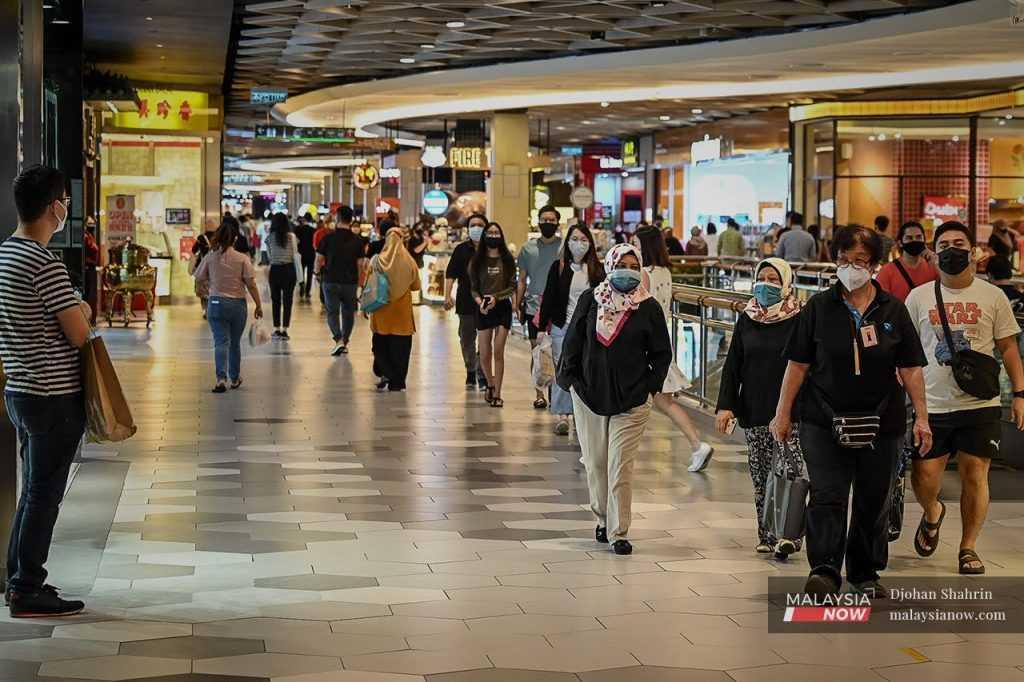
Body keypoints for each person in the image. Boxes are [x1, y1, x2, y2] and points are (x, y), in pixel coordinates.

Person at [771, 224, 931, 598]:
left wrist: (922, 416)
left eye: (860, 260)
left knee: (874, 497)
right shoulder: (818, 308)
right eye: (844, 259)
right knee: (828, 494)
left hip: (883, 420)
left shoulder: (893, 310)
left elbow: (910, 368)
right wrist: (783, 413)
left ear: (875, 264)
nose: (851, 267)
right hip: (822, 419)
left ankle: (865, 571)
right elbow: (797, 365)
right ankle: (824, 570)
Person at [0, 165, 93, 617]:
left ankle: (18, 578)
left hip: (19, 390)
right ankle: (27, 588)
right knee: (44, 494)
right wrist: (84, 305)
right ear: (55, 207)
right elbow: (78, 333)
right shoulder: (43, 262)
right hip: (53, 396)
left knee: (33, 489)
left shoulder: (5, 255)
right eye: (66, 203)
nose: (67, 210)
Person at [905, 221, 1024, 576]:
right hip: (932, 406)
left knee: (976, 475)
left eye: (959, 243)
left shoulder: (993, 296)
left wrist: (1019, 393)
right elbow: (905, 352)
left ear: (973, 251)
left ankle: (968, 547)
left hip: (980, 403)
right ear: (934, 251)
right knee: (924, 476)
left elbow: (1008, 348)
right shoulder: (918, 297)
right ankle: (932, 513)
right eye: (944, 243)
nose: (952, 249)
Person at [556, 243, 672, 556]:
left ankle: (618, 531)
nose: (628, 271)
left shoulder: (648, 307)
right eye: (623, 264)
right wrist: (571, 382)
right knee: (596, 463)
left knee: (620, 465)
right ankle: (602, 518)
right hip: (589, 394)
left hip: (632, 399)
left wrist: (649, 386)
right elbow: (573, 343)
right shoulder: (590, 299)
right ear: (610, 265)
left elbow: (662, 353)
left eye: (635, 266)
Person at [716, 258, 806, 557]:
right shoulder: (749, 316)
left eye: (773, 279)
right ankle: (766, 534)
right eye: (762, 277)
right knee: (762, 474)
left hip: (792, 410)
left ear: (785, 283)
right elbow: (734, 363)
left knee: (791, 473)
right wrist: (726, 406)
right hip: (755, 407)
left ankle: (789, 534)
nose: (766, 284)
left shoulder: (800, 317)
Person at [633, 226, 714, 470]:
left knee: (640, 401)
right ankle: (697, 445)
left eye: (636, 244)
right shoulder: (665, 272)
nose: (633, 249)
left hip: (644, 346)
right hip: (660, 341)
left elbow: (639, 310)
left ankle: (698, 445)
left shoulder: (644, 273)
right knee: (663, 401)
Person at [538, 223, 605, 436]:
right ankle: (562, 414)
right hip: (562, 325)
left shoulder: (597, 269)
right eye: (575, 239)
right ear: (567, 242)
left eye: (584, 240)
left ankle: (582, 412)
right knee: (562, 369)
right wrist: (542, 328)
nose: (579, 244)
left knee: (585, 369)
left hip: (588, 328)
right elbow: (549, 296)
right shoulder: (559, 267)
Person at [194, 218, 264, 393]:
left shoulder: (210, 257)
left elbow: (198, 277)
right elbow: (251, 283)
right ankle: (234, 378)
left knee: (220, 342)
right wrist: (258, 304)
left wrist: (206, 290)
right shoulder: (242, 259)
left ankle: (220, 379)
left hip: (216, 302)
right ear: (234, 239)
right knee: (234, 343)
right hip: (237, 305)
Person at [517, 206, 563, 410]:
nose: (548, 223)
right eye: (544, 219)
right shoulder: (527, 249)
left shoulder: (564, 248)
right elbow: (522, 279)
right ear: (538, 221)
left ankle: (555, 392)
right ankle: (539, 393)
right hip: (534, 308)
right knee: (537, 350)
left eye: (552, 220)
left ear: (557, 223)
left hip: (558, 306)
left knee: (556, 351)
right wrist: (517, 304)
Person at [471, 222, 518, 408]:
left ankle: (498, 392)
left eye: (496, 232)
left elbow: (512, 286)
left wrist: (496, 298)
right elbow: (473, 288)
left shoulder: (507, 259)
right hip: (483, 307)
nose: (493, 235)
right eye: (489, 232)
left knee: (498, 350)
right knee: (484, 353)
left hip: (502, 308)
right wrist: (480, 303)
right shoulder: (477, 260)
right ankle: (489, 383)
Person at [369, 226, 420, 392]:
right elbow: (416, 286)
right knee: (401, 350)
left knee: (380, 346)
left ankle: (385, 372)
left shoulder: (376, 260)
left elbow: (368, 285)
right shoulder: (409, 261)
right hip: (402, 315)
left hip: (381, 312)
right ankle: (397, 382)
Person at [444, 214, 488, 390]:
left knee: (485, 340)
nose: (476, 228)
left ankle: (482, 373)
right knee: (466, 338)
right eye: (473, 225)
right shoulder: (461, 249)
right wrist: (447, 296)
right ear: (468, 228)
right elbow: (450, 274)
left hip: (488, 302)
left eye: (480, 225)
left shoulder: (492, 249)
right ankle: (470, 369)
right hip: (465, 300)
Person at [317, 205, 367, 356]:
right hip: (350, 282)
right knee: (348, 313)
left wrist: (317, 273)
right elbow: (361, 265)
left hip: (330, 280)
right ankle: (344, 341)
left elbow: (319, 259)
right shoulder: (358, 241)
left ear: (337, 218)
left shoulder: (327, 238)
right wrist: (360, 283)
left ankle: (338, 340)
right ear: (351, 220)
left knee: (332, 312)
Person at [876, 221, 939, 302]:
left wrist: (937, 263)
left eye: (919, 237)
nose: (914, 241)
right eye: (909, 238)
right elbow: (881, 302)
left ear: (924, 240)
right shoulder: (887, 271)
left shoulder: (932, 266)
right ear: (900, 243)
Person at [265, 213, 298, 340]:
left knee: (276, 300)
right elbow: (295, 254)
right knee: (288, 300)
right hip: (289, 270)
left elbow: (269, 256)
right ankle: (285, 329)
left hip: (275, 270)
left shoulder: (269, 238)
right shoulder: (292, 237)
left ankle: (277, 328)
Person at [190, 231, 213, 317]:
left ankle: (205, 310)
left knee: (202, 292)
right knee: (211, 290)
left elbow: (193, 250)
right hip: (212, 268)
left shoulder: (200, 239)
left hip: (201, 268)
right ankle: (210, 309)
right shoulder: (217, 239)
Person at [82, 217, 100, 324]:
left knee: (91, 294)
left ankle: (90, 319)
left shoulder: (90, 236)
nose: (92, 226)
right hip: (87, 268)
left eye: (93, 224)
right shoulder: (85, 237)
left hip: (91, 268)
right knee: (88, 295)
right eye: (90, 224)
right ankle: (87, 320)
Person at [295, 216, 317, 300]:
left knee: (300, 272)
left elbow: (296, 242)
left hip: (301, 254)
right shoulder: (313, 230)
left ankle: (301, 287)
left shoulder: (297, 229)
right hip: (311, 254)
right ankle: (307, 291)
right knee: (310, 274)